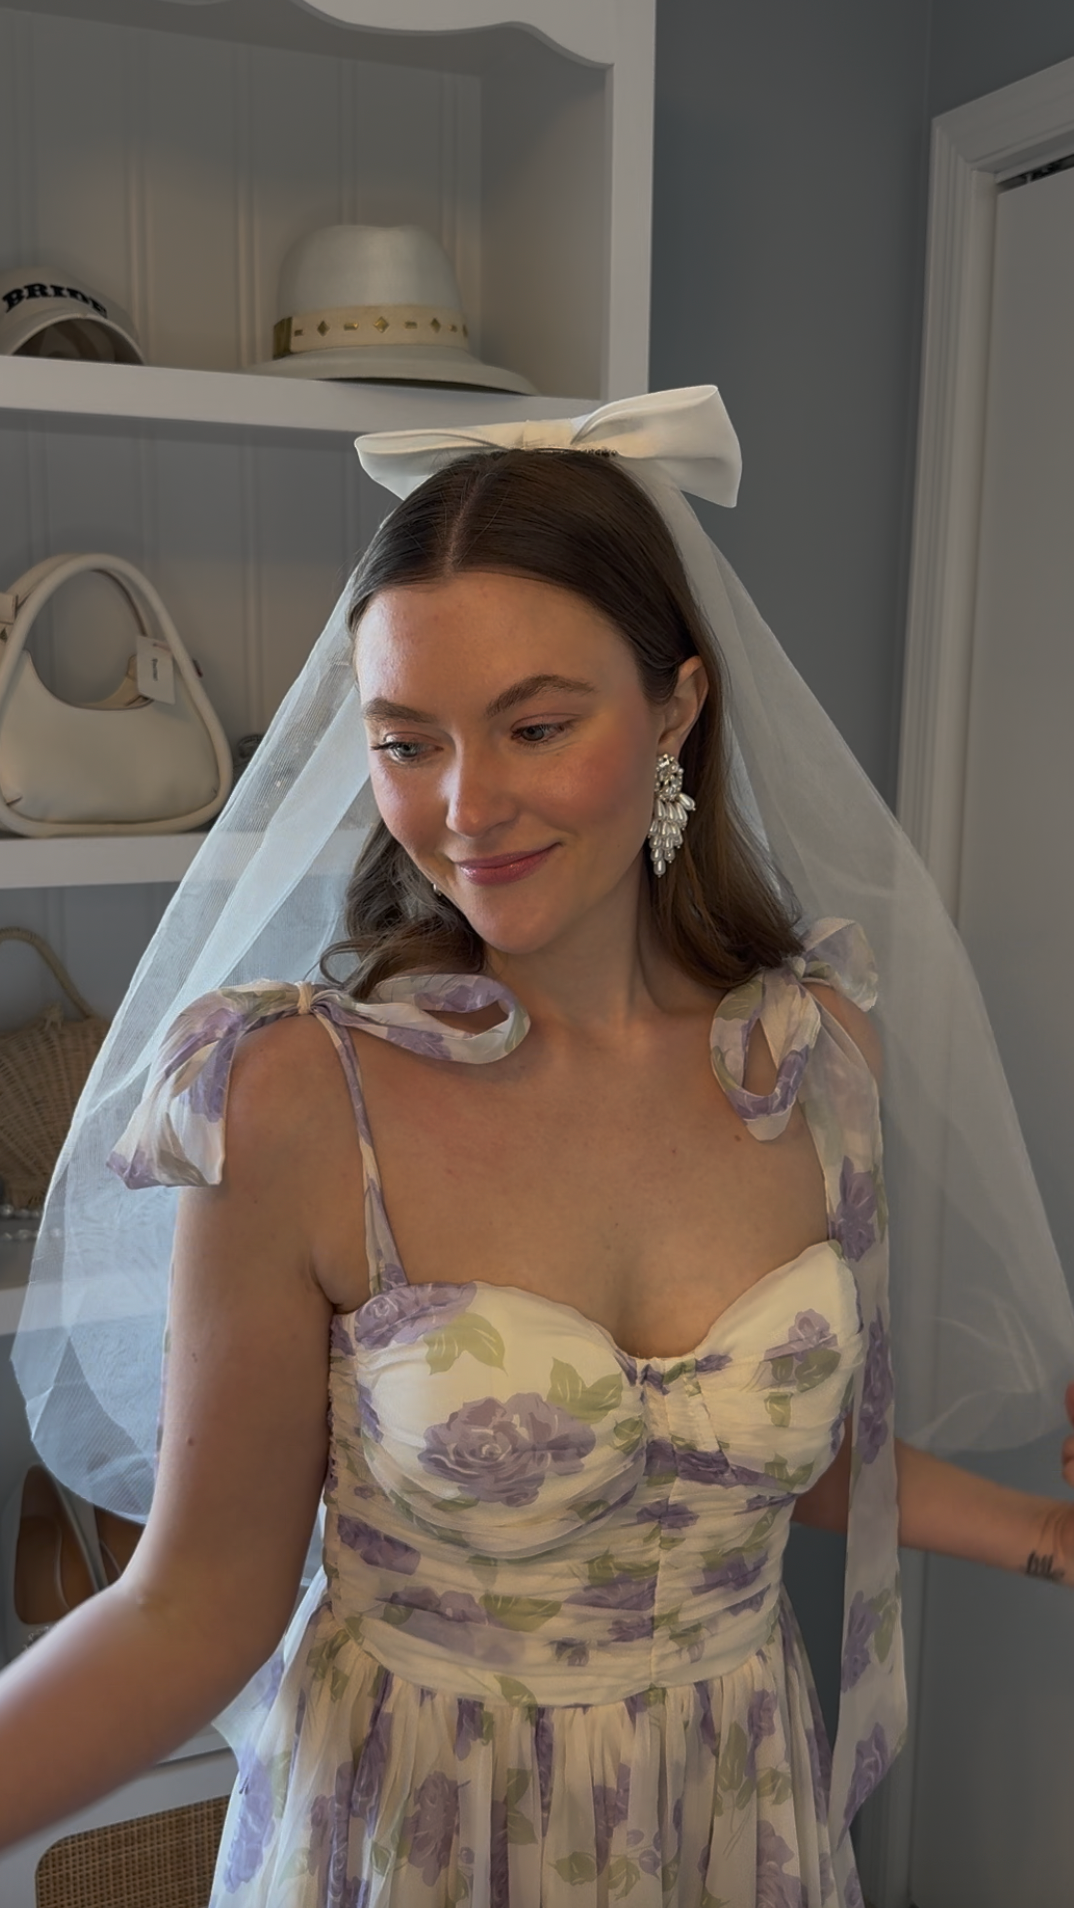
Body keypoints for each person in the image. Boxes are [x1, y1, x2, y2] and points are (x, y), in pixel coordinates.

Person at [3, 391, 1073, 1906]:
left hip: (733, 1824)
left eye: (536, 726)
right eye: (405, 741)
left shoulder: (814, 1061)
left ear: (677, 709)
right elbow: (188, 1610)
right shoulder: (303, 1103)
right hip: (419, 1832)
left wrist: (1050, 1532)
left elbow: (756, 1451)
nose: (464, 807)